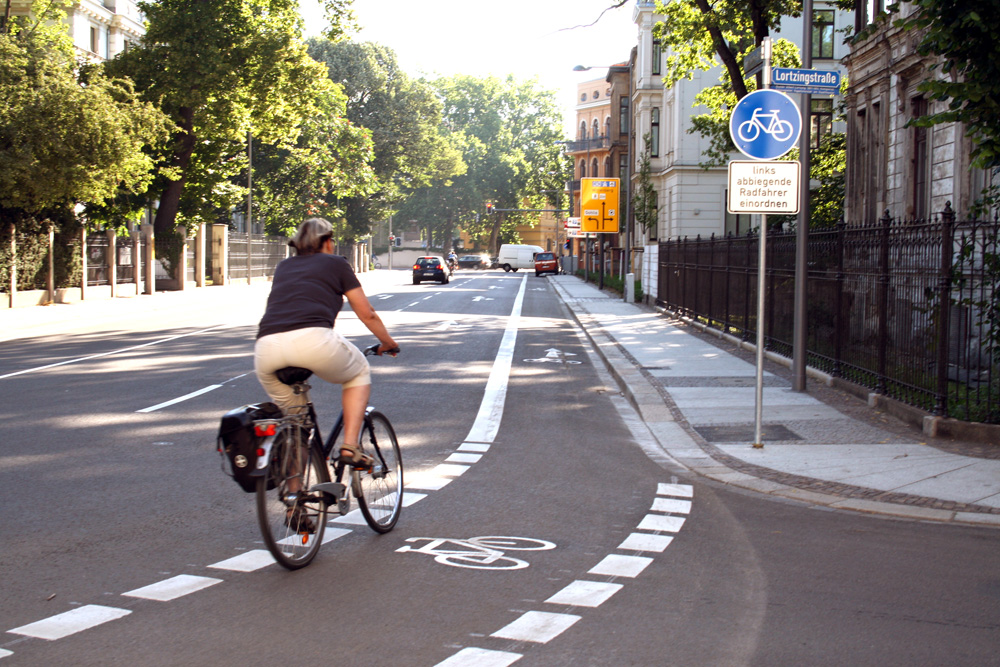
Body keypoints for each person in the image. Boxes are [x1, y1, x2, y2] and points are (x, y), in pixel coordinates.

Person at [254, 217, 398, 468]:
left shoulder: (284, 266)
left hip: (266, 349)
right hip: (313, 341)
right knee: (359, 370)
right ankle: (350, 447)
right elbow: (367, 313)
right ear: (328, 242)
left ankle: (294, 498)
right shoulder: (336, 263)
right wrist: (388, 343)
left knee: (297, 425)